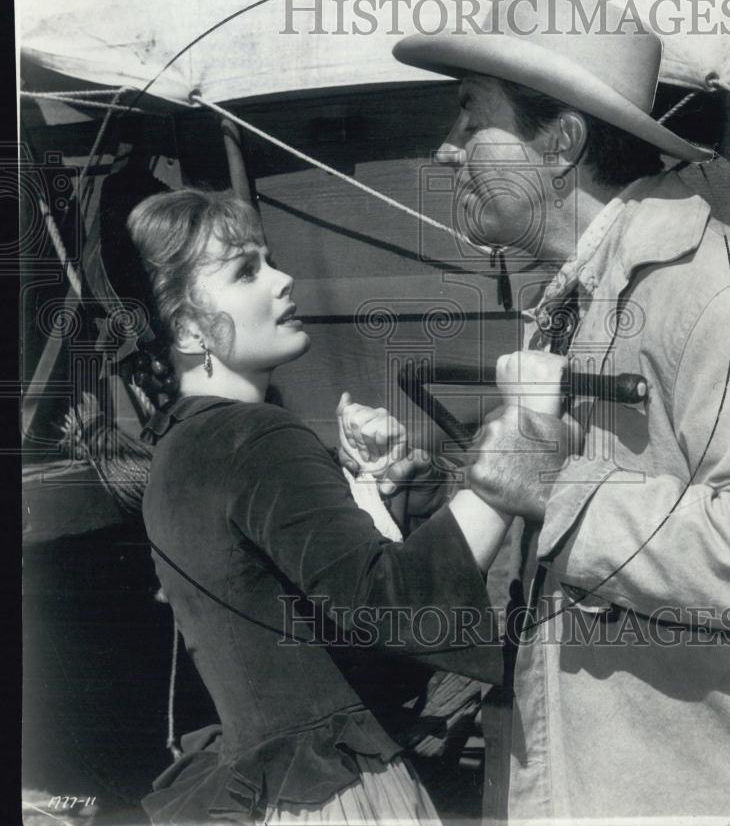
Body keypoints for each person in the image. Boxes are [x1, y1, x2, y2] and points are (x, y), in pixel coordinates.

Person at [393, 0, 730, 823]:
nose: (445, 148)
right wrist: (459, 488)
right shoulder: (581, 300)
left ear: (563, 140)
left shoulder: (726, 291)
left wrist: (556, 490)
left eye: (472, 117)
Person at [125, 188, 510, 825]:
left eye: (268, 259)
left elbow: (290, 616)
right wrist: (506, 478)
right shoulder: (257, 437)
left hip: (269, 793)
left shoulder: (181, 445)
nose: (283, 278)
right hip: (338, 796)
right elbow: (393, 609)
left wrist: (376, 497)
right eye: (247, 270)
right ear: (190, 327)